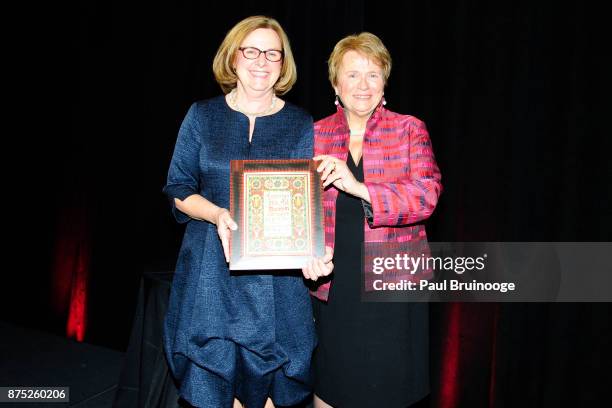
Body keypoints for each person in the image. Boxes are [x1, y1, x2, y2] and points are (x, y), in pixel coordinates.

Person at [162, 16, 332, 408]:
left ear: (283, 64)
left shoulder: (301, 122)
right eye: (251, 50)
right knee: (210, 378)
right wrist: (218, 214)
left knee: (275, 384)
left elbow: (306, 201)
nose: (261, 61)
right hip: (210, 269)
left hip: (277, 279)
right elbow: (179, 189)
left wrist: (312, 250)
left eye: (273, 53)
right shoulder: (201, 115)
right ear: (233, 58)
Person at [308, 32, 442, 407]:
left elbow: (426, 196)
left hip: (393, 285)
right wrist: (304, 250)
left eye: (373, 74)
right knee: (331, 387)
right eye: (352, 75)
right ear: (335, 82)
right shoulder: (314, 134)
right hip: (333, 284)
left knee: (388, 391)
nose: (362, 85)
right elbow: (298, 208)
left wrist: (359, 187)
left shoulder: (408, 129)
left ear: (385, 81)